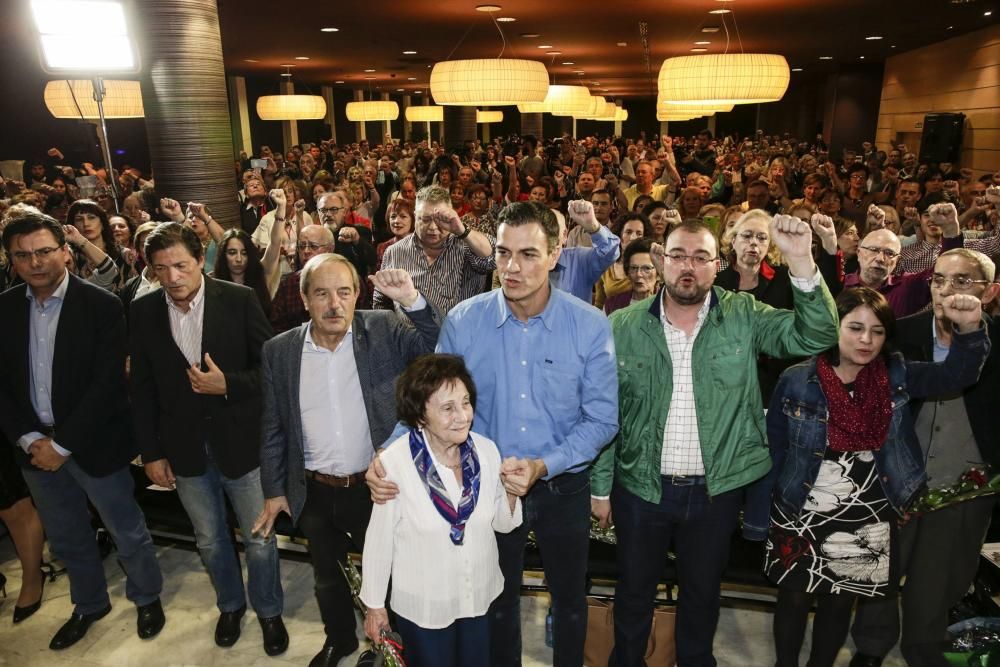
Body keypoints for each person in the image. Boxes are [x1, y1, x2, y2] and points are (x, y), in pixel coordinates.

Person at [367, 200, 619, 667]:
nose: (511, 267)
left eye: (527, 254)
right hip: (484, 487)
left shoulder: (588, 325)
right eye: (503, 253)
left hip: (563, 485)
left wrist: (546, 465)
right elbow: (432, 400)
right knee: (496, 603)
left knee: (568, 600)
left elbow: (603, 420)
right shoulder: (466, 319)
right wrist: (387, 451)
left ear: (555, 253)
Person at [591, 216, 840, 667]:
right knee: (632, 596)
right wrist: (601, 486)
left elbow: (817, 335)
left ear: (717, 263)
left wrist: (802, 259)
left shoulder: (743, 314)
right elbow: (608, 412)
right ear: (661, 260)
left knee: (703, 599)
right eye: (678, 255)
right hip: (641, 488)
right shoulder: (622, 325)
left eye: (701, 258)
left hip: (715, 491)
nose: (689, 266)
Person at [755, 287, 989, 667]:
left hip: (868, 510)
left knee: (839, 601)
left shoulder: (896, 373)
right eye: (856, 328)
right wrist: (761, 512)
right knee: (793, 597)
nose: (866, 340)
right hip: (800, 504)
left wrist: (970, 329)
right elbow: (775, 447)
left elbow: (956, 375)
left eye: (878, 331)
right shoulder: (798, 378)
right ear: (835, 328)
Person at [254, 258, 440, 667]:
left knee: (387, 579)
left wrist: (411, 300)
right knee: (327, 577)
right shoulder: (279, 352)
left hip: (377, 489)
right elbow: (272, 427)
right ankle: (339, 640)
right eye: (321, 293)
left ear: (357, 294)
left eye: (343, 292)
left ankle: (384, 648)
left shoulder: (385, 329)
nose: (334, 304)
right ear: (304, 299)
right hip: (314, 488)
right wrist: (274, 490)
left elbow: (437, 350)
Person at [0, 210, 164, 649]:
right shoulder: (4, 309)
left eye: (44, 252)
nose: (35, 262)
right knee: (68, 537)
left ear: (65, 253)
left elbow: (107, 383)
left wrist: (64, 443)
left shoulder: (101, 305)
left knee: (126, 529)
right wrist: (33, 440)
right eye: (23, 255)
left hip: (94, 443)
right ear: (12, 261)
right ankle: (89, 604)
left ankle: (147, 597)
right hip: (34, 449)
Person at [128, 222, 287, 656]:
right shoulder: (142, 312)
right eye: (162, 269)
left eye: (181, 265)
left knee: (260, 538)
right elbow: (140, 390)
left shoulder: (238, 300)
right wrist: (152, 452)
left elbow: (271, 371)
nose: (173, 277)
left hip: (242, 446)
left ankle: (269, 611)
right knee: (210, 540)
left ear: (201, 260)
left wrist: (228, 385)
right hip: (183, 451)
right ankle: (230, 606)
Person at [850, 249, 1000, 667]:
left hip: (967, 482)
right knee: (880, 566)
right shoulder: (898, 332)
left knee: (940, 577)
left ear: (989, 292)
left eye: (962, 281)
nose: (946, 289)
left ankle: (924, 647)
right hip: (895, 479)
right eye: (938, 279)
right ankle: (871, 646)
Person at [361, 354, 523, 667]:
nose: (463, 416)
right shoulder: (394, 464)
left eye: (465, 402)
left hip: (478, 595)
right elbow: (379, 540)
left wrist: (513, 494)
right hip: (425, 607)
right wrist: (375, 605)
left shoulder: (486, 452)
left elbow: (502, 524)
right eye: (448, 408)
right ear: (420, 416)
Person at [374, 185, 495, 315]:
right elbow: (381, 300)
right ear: (415, 216)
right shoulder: (394, 252)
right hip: (408, 333)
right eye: (425, 219)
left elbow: (491, 259)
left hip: (459, 333)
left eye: (440, 219)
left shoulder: (467, 245)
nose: (432, 227)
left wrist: (462, 230)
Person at [212, 228, 272, 318]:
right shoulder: (212, 285)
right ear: (223, 255)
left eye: (244, 253)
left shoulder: (258, 278)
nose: (239, 259)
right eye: (232, 253)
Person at [603, 237, 659, 315]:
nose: (638, 274)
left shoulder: (668, 304)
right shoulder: (612, 305)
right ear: (627, 272)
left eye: (646, 268)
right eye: (633, 268)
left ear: (658, 273)